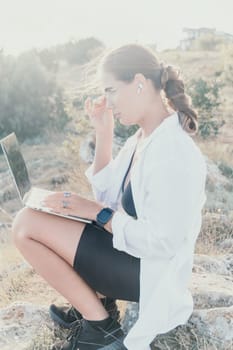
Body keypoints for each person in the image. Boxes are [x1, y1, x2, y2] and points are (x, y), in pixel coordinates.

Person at [12, 44, 207, 350]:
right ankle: (97, 305)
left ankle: (100, 324)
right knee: (37, 217)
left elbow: (163, 242)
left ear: (140, 83)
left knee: (25, 225)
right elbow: (108, 194)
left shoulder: (173, 152)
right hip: (131, 258)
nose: (108, 100)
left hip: (148, 273)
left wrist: (96, 213)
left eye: (112, 90)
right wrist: (104, 133)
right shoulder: (145, 136)